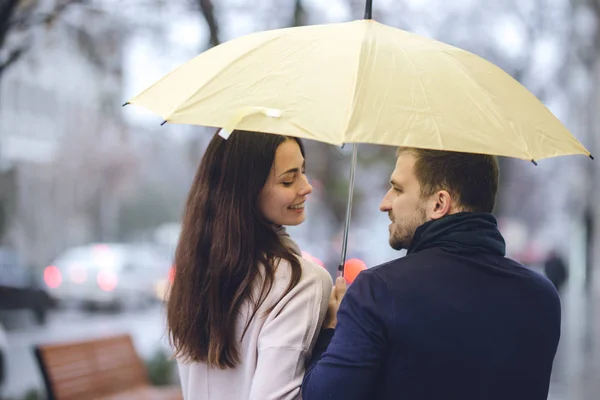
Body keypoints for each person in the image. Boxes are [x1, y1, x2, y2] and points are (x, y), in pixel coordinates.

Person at [302, 147, 561, 400]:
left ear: (439, 203)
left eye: (398, 189)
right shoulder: (542, 298)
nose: (385, 203)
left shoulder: (377, 292)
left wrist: (331, 329)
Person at [167, 129, 333, 400]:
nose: (306, 186)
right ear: (247, 190)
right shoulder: (301, 282)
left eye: (303, 171)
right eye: (289, 180)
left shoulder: (193, 276)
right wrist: (331, 334)